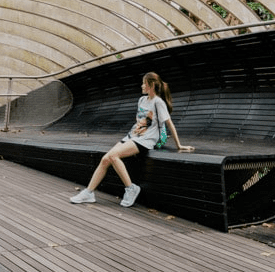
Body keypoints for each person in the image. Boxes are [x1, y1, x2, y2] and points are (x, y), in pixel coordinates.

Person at [70, 71, 194, 207]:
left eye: (144, 83)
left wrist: (179, 145)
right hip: (133, 136)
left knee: (114, 156)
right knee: (106, 159)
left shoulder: (158, 102)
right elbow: (138, 121)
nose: (141, 86)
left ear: (151, 85)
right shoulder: (141, 100)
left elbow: (169, 123)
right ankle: (88, 193)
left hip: (147, 140)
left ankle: (131, 188)